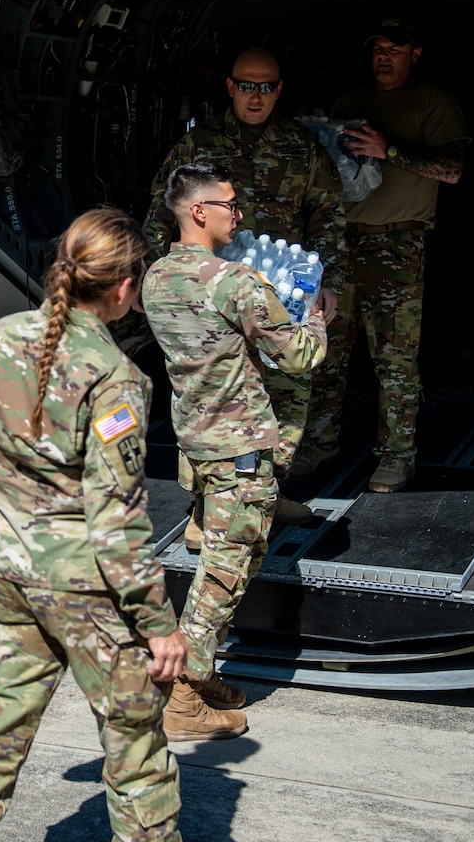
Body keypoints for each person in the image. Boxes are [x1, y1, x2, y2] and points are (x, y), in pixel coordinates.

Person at [0, 208, 186, 842]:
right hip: (87, 592)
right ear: (124, 287)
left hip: (4, 576)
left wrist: (11, 507)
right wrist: (157, 624)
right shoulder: (116, 378)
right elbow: (115, 522)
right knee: (136, 756)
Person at [143, 163, 327, 739]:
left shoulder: (156, 277)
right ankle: (183, 695)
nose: (238, 214)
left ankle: (202, 673)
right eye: (229, 204)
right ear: (199, 212)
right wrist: (320, 319)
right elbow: (298, 357)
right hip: (240, 446)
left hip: (197, 438)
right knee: (226, 571)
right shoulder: (234, 281)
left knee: (220, 561)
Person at [146, 47, 345, 528]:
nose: (256, 97)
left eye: (267, 87)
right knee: (211, 401)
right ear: (230, 87)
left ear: (279, 90)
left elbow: (328, 217)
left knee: (290, 391)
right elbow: (159, 211)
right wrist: (158, 276)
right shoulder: (197, 146)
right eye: (247, 85)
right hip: (210, 291)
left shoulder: (304, 148)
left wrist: (329, 282)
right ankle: (204, 511)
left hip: (276, 290)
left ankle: (265, 496)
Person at [303, 17, 469, 493]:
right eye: (377, 48)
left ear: (414, 54)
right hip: (342, 240)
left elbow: (453, 169)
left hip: (396, 243)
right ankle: (320, 444)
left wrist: (389, 149)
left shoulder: (432, 101)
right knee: (326, 349)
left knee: (394, 357)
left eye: (394, 49)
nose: (383, 56)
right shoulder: (350, 102)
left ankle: (397, 456)